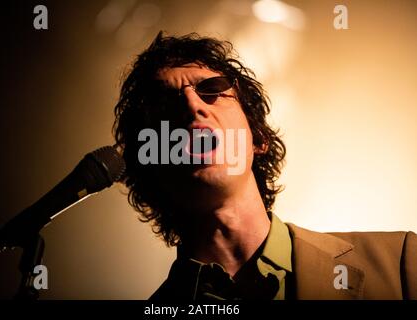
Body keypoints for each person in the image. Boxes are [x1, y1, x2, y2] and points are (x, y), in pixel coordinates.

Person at [112, 31, 416, 300]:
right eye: (166, 105)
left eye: (212, 89)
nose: (192, 105)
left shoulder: (401, 261)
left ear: (258, 138)